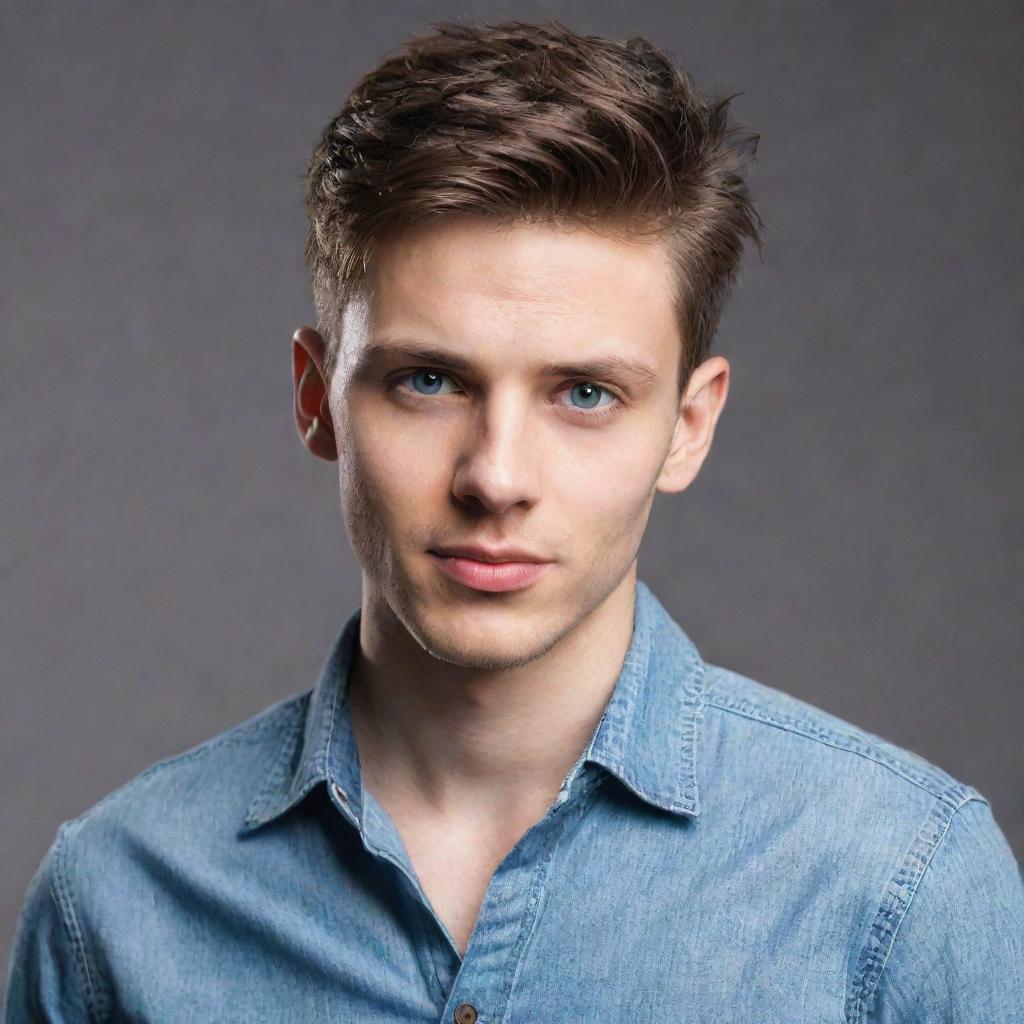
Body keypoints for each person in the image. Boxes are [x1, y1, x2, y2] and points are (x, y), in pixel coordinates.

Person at [5, 17, 1022, 1023]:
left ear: (688, 425)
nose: (495, 477)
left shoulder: (900, 883)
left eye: (583, 393)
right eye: (429, 380)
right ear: (317, 399)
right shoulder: (115, 905)